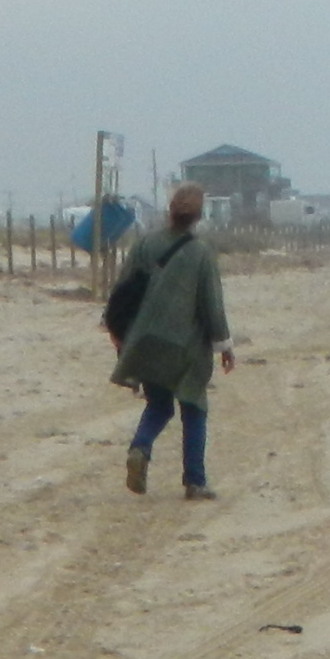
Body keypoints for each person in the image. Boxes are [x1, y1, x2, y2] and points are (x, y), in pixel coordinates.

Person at [106, 181, 235, 499]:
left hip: (147, 340)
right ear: (198, 216)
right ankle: (195, 480)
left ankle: (140, 447)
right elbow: (211, 305)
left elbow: (122, 292)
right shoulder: (201, 253)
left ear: (170, 210)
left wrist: (121, 336)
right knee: (194, 407)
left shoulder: (145, 245)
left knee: (159, 405)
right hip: (186, 346)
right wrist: (224, 345)